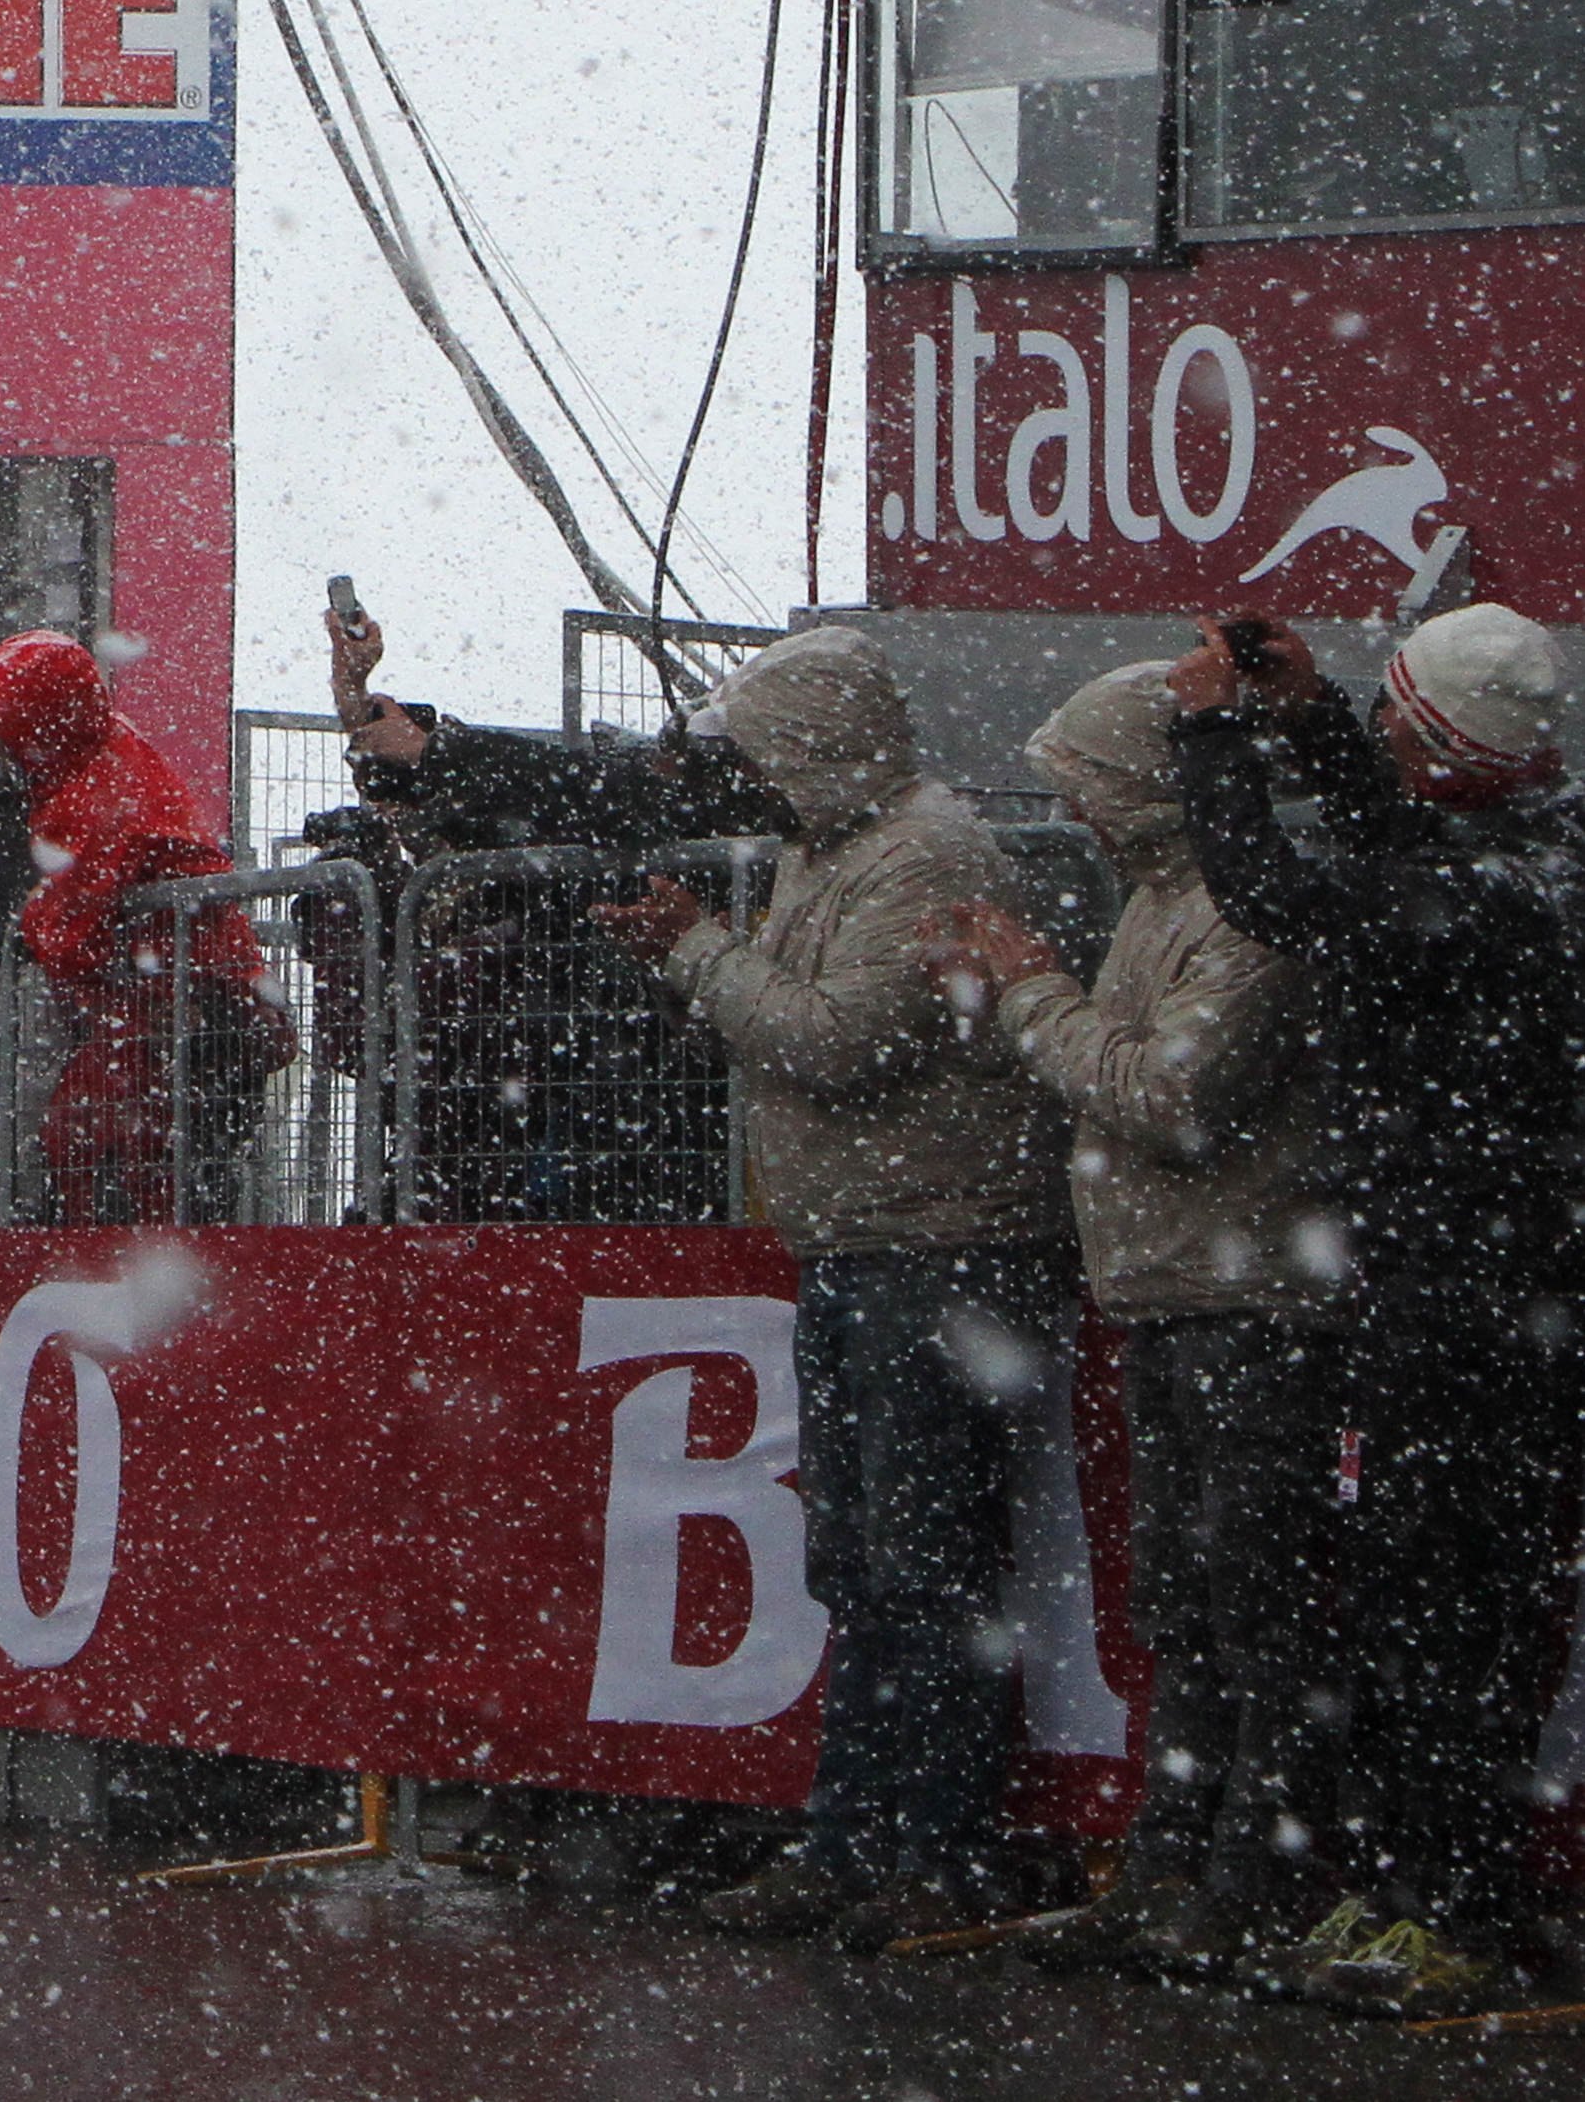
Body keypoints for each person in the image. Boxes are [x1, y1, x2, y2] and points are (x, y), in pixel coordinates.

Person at [604, 627, 1066, 1951]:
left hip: (932, 1238)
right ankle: (857, 1836)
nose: (745, 781)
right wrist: (700, 959)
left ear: (809, 748)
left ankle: (928, 1845)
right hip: (866, 1234)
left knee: (917, 1558)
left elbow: (834, 1039)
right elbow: (802, 1022)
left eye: (759, 753)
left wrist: (699, 952)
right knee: (859, 1558)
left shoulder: (920, 852)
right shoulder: (831, 844)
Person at [1160, 604, 1585, 2018]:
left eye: (1396, 717)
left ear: (1445, 741)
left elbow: (1277, 895)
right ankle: (1428, 1888)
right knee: (1444, 1603)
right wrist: (1314, 716)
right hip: (1494, 1280)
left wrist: (1209, 735)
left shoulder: (1488, 890)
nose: (1384, 734)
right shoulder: (1534, 846)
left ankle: (1449, 1906)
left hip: (1463, 1291)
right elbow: (1404, 841)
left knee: (1438, 1609)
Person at [916, 664, 1346, 1983]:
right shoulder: (1164, 893)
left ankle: (1247, 1881)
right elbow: (1112, 1071)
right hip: (1171, 1290)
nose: (1073, 815)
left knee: (1252, 1605)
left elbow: (1169, 1096)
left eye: (1086, 787)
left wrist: (1028, 993)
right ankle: (1167, 1868)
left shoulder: (1239, 910)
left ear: (1145, 786)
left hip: (1245, 1298)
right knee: (1183, 1603)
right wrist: (1002, 1001)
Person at [321, 597, 771, 1222]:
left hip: (664, 1141)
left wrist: (437, 754)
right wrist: (368, 712)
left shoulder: (713, 833)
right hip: (583, 1132)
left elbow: (589, 796)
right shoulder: (596, 855)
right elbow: (484, 815)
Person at [0, 629, 270, 1221]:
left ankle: (118, 1261)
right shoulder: (88, 743)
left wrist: (20, 922)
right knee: (106, 1144)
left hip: (187, 1016)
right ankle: (123, 1254)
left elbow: (68, 934)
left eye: (2, 727)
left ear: (34, 729)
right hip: (188, 1005)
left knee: (102, 1147)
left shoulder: (93, 803)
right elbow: (11, 694)